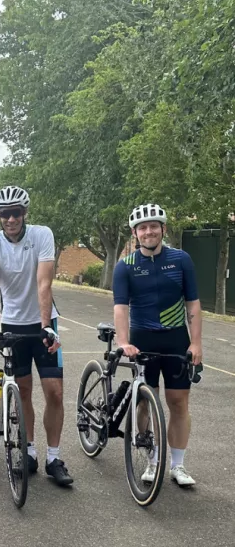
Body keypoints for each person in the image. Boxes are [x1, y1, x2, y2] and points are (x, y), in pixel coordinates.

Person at [0, 185, 73, 486]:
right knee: (23, 391)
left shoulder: (42, 235)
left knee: (54, 392)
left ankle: (54, 457)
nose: (10, 219)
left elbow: (43, 284)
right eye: (4, 214)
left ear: (24, 213)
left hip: (43, 323)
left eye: (15, 213)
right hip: (12, 325)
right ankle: (29, 451)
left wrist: (46, 327)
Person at [113, 203, 202, 487]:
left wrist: (196, 343)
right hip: (143, 339)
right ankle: (151, 459)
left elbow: (193, 303)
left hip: (176, 338)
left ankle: (177, 465)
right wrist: (124, 341)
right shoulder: (125, 266)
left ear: (163, 229)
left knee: (178, 402)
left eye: (153, 226)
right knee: (144, 402)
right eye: (142, 227)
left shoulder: (181, 259)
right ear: (135, 233)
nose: (148, 231)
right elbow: (120, 307)